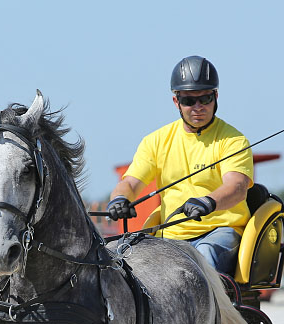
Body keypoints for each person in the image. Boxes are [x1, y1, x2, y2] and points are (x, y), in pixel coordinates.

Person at [107, 55, 253, 275]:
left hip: (221, 232)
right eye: (188, 101)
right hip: (171, 236)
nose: (198, 107)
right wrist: (119, 199)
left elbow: (237, 187)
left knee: (203, 254)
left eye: (205, 98)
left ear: (216, 96)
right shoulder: (155, 141)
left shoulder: (233, 140)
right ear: (176, 102)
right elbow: (130, 183)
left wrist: (208, 202)